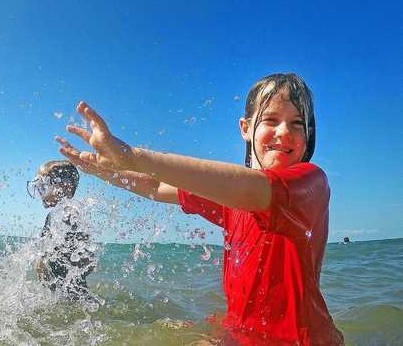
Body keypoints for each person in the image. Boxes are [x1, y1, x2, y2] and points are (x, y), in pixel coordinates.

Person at [56, 73, 344, 345]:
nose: (284, 132)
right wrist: (105, 170)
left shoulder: (311, 184)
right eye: (271, 119)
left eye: (297, 124)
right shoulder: (231, 197)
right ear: (245, 128)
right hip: (240, 334)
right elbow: (155, 188)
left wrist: (131, 156)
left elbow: (252, 189)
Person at [27, 160, 95, 299]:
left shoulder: (69, 215)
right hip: (61, 292)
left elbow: (87, 260)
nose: (39, 192)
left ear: (65, 187)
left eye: (42, 186)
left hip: (71, 295)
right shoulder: (53, 216)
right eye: (37, 186)